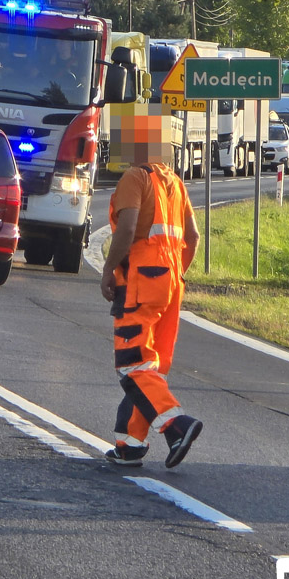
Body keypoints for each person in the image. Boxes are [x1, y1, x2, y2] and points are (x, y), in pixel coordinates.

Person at [100, 157, 203, 468]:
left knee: (133, 365)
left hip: (141, 280)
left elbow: (128, 228)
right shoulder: (173, 182)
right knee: (150, 369)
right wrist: (172, 276)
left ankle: (176, 425)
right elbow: (193, 237)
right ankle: (130, 444)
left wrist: (108, 270)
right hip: (172, 281)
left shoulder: (135, 177)